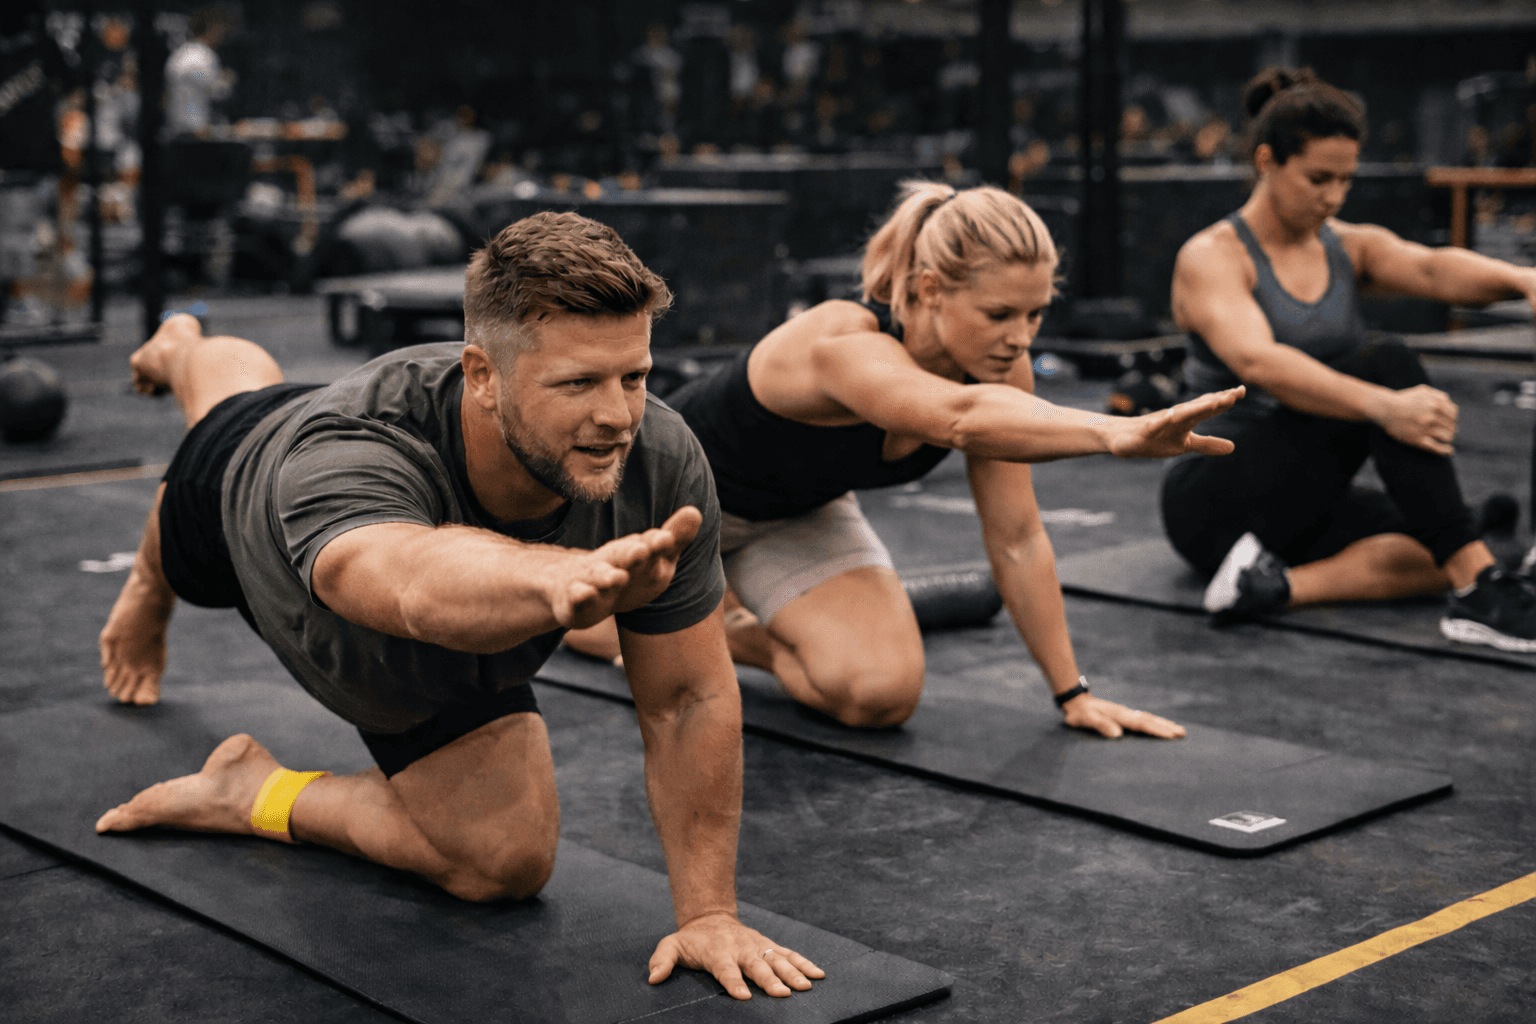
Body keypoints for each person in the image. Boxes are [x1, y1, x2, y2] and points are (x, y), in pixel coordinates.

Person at [93, 212, 823, 1001]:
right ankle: (177, 355)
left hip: (433, 650)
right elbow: (402, 575)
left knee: (502, 862)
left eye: (634, 377)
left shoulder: (660, 461)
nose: (617, 416)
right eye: (578, 383)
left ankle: (246, 791)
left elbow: (685, 698)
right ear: (481, 375)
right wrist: (555, 580)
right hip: (238, 497)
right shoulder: (347, 449)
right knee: (224, 395)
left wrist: (708, 912)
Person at [566, 182, 1243, 735]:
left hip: (793, 514)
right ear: (926, 290)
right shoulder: (840, 341)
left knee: (879, 693)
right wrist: (1113, 434)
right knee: (583, 629)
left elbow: (1016, 536)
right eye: (1000, 313)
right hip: (663, 504)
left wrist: (1073, 693)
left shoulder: (1003, 369)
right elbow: (958, 417)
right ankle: (668, 618)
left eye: (1035, 315)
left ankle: (730, 628)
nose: (1020, 338)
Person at [1162, 67, 1536, 651]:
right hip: (1214, 498)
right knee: (1384, 359)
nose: (1333, 196)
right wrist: (1384, 406)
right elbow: (1260, 362)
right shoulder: (1213, 257)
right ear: (1267, 161)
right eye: (1317, 179)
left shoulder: (1347, 245)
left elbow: (1432, 267)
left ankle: (1273, 587)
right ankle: (1478, 592)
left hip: (1306, 498)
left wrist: (1524, 279)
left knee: (1481, 532)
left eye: (1345, 180)